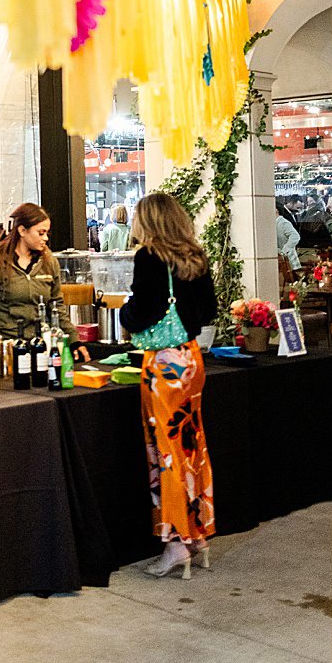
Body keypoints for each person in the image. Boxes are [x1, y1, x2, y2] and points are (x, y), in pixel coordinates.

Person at [119, 192, 219, 579]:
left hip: (163, 365)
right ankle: (198, 535)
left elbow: (141, 310)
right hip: (192, 358)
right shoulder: (195, 255)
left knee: (165, 451)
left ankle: (175, 542)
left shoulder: (149, 257)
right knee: (192, 445)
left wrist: (123, 312)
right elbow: (209, 309)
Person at [0, 202, 71, 339]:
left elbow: (57, 305)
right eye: (41, 233)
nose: (46, 238)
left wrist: (73, 340)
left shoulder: (48, 260)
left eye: (47, 233)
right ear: (22, 231)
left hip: (42, 343)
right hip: (7, 343)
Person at [276, 202, 302, 281]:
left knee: (291, 283)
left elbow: (295, 236)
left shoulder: (283, 222)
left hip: (289, 262)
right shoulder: (274, 223)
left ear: (276, 210)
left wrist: (285, 249)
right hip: (282, 261)